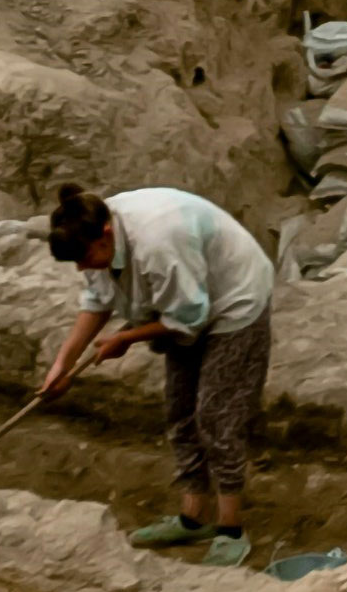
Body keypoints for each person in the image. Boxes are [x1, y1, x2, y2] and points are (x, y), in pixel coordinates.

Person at [38, 184, 279, 565]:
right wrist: (62, 364)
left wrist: (126, 338)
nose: (82, 268)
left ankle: (231, 526)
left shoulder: (160, 242)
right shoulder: (94, 230)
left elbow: (189, 316)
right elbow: (98, 301)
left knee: (218, 416)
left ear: (104, 235)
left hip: (234, 300)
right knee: (180, 412)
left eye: (84, 259)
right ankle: (193, 517)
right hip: (183, 302)